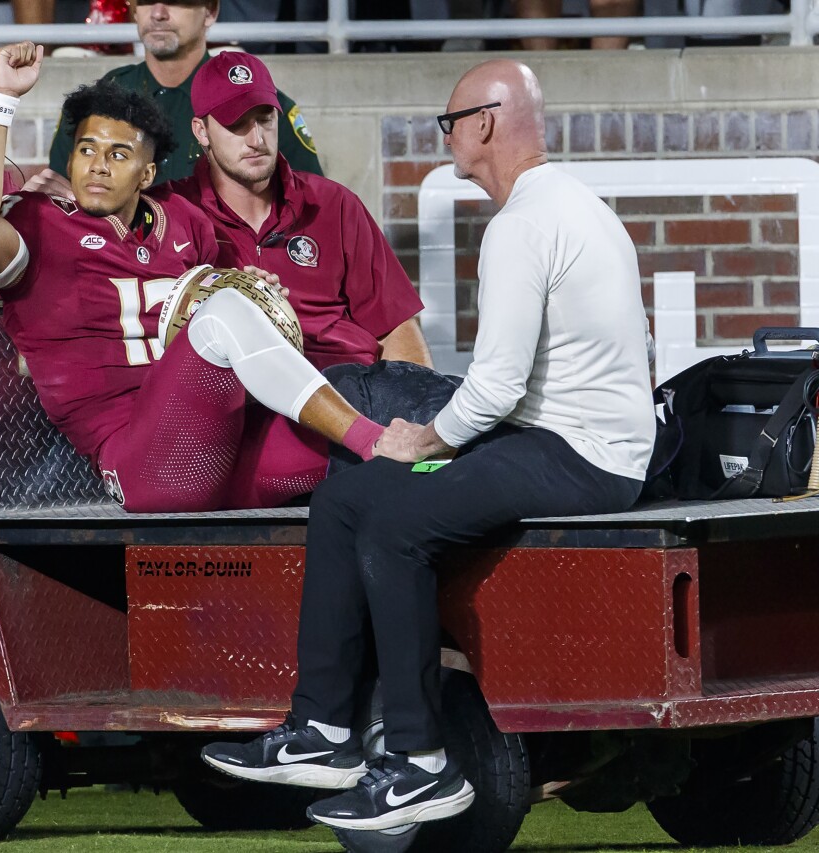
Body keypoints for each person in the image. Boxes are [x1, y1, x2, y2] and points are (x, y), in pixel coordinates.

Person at [200, 59, 655, 832]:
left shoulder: (522, 224)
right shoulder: (572, 204)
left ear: (483, 123)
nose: (446, 137)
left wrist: (424, 440)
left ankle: (417, 762)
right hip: (571, 443)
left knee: (394, 522)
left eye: (450, 123)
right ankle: (324, 729)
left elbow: (498, 386)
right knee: (352, 488)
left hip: (580, 456)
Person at [0, 42, 390, 514]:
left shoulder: (184, 220)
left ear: (148, 174)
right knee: (228, 316)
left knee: (379, 398)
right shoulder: (39, 224)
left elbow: (219, 315)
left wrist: (260, 294)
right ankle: (374, 440)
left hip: (222, 447)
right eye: (86, 150)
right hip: (145, 467)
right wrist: (1, 97)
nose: (98, 165)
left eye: (119, 155)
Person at [159, 51, 431, 371]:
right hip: (239, 391)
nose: (256, 139)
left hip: (349, 384)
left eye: (265, 119)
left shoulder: (334, 204)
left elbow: (396, 325)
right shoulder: (172, 212)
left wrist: (415, 412)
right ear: (201, 131)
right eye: (237, 124)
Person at [45, 1, 322, 185]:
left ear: (210, 11)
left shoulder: (254, 99)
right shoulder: (100, 99)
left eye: (175, 0)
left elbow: (310, 197)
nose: (158, 13)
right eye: (145, 1)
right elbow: (61, 190)